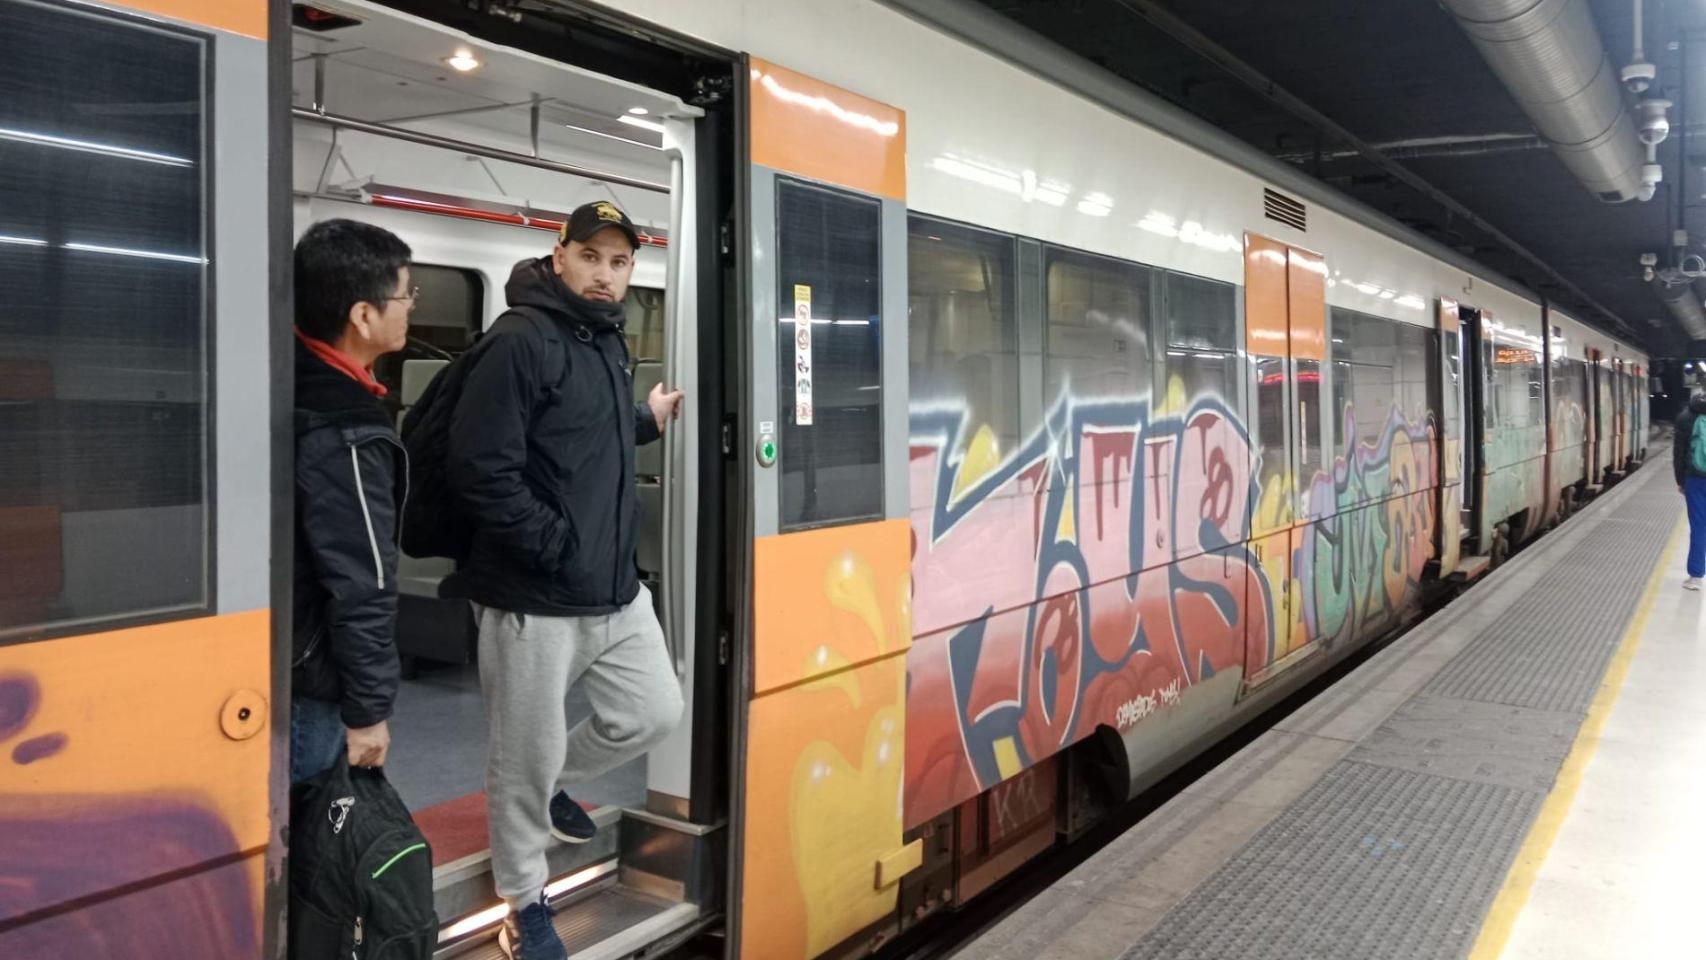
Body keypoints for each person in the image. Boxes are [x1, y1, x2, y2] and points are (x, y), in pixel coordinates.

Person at [445, 201, 685, 960]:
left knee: (652, 712)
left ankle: (554, 779)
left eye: (619, 262)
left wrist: (644, 419)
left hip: (613, 588)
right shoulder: (518, 341)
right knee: (521, 755)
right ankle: (524, 903)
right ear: (560, 257)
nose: (605, 274)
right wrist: (553, 545)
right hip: (533, 596)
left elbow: (581, 435)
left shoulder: (604, 340)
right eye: (590, 257)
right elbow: (480, 470)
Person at [290, 219, 414, 782]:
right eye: (405, 295)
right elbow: (362, 579)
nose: (411, 307)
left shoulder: (286, 379)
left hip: (280, 647)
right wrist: (368, 711)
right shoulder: (348, 431)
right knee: (311, 811)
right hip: (312, 670)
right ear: (363, 315)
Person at [1674, 390, 1706, 591]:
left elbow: (1678, 453)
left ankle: (1695, 576)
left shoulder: (1685, 417)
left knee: (1699, 526)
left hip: (1694, 478)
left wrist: (1680, 481)